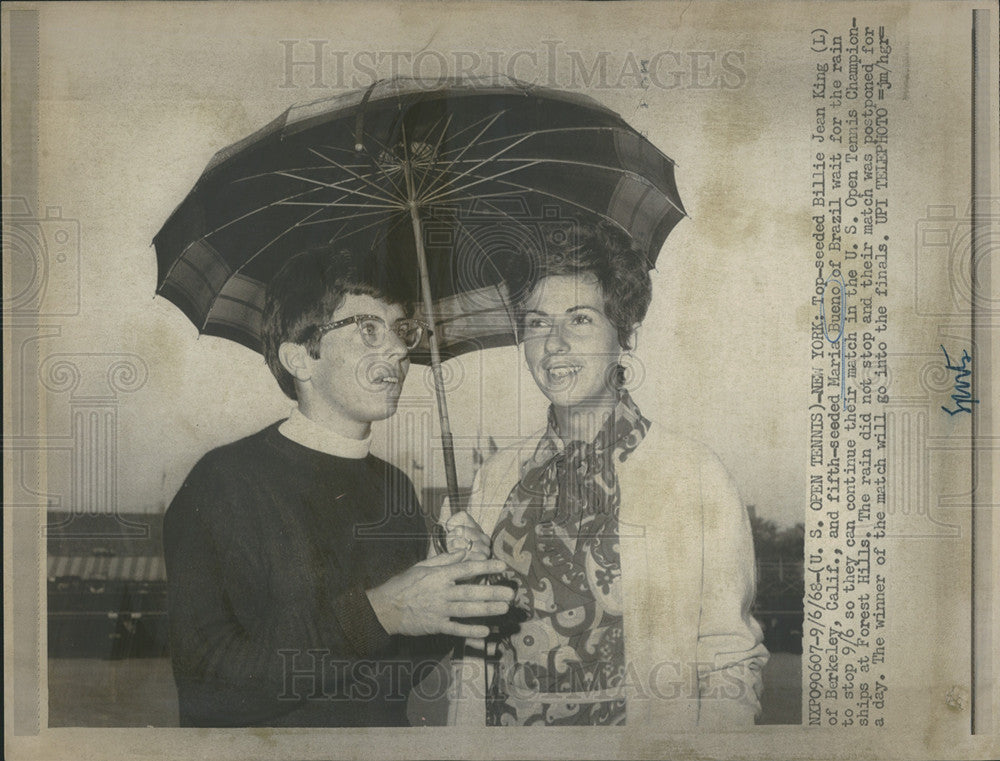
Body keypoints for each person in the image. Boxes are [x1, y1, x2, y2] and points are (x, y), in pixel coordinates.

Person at [163, 246, 512, 727]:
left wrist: (460, 590)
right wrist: (381, 611)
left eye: (401, 330)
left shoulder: (396, 488)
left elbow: (395, 674)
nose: (395, 349)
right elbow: (210, 688)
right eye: (368, 329)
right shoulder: (222, 484)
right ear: (300, 358)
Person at [449, 220, 768, 728]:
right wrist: (458, 575)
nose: (553, 344)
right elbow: (474, 654)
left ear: (625, 334)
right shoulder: (496, 476)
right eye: (536, 323)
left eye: (579, 320)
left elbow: (728, 658)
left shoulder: (694, 475)